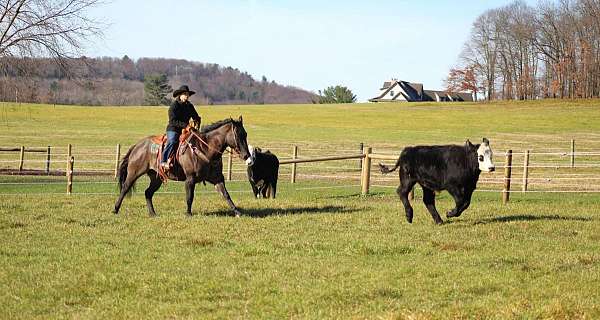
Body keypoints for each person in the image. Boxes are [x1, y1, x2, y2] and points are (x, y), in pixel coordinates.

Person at [161, 85, 201, 170]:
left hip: (186, 130)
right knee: (172, 141)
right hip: (173, 129)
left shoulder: (189, 106)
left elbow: (195, 116)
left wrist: (197, 120)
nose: (187, 96)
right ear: (180, 95)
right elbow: (173, 121)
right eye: (185, 94)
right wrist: (186, 126)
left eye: (187, 94)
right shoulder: (174, 106)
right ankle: (163, 161)